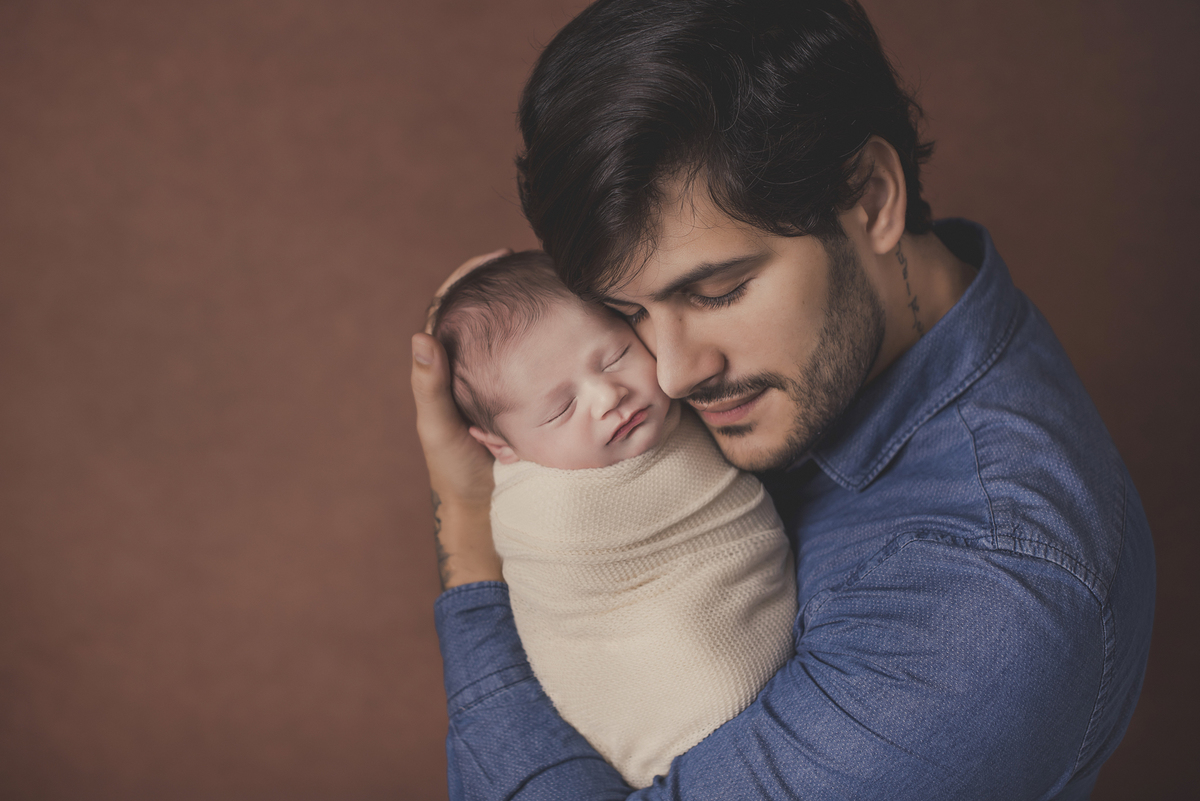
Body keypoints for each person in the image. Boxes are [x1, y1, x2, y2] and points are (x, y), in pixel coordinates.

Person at [410, 0, 1156, 797]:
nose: (670, 372)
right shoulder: (807, 362)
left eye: (720, 291)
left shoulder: (985, 593)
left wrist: (467, 523)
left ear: (871, 198)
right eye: (629, 313)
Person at [429, 250, 796, 788]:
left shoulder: (700, 392)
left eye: (615, 357)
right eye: (559, 410)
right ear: (500, 446)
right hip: (683, 718)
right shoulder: (546, 508)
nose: (608, 397)